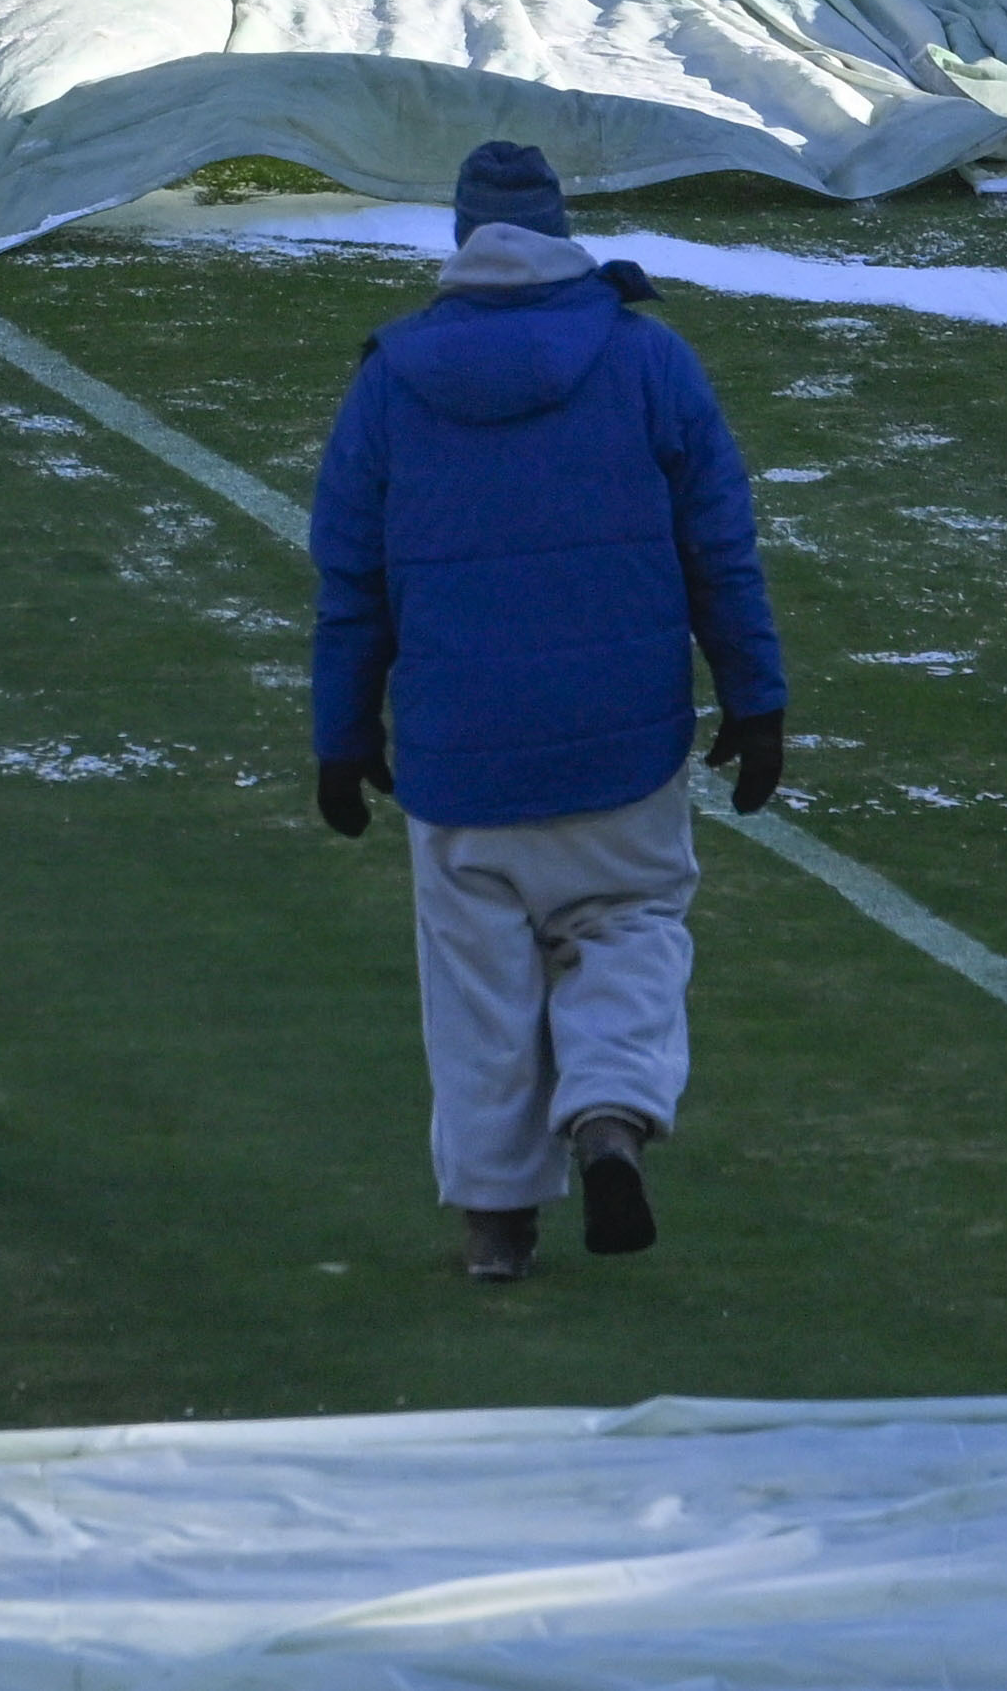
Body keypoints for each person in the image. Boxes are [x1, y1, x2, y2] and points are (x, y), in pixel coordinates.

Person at [309, 139, 787, 1283]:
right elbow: (718, 547)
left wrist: (342, 737)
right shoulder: (646, 359)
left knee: (479, 985)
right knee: (626, 925)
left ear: (462, 237)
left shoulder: (389, 379)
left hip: (458, 751)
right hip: (621, 736)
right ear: (562, 228)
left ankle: (494, 1224)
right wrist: (754, 696)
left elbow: (351, 579)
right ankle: (611, 1115)